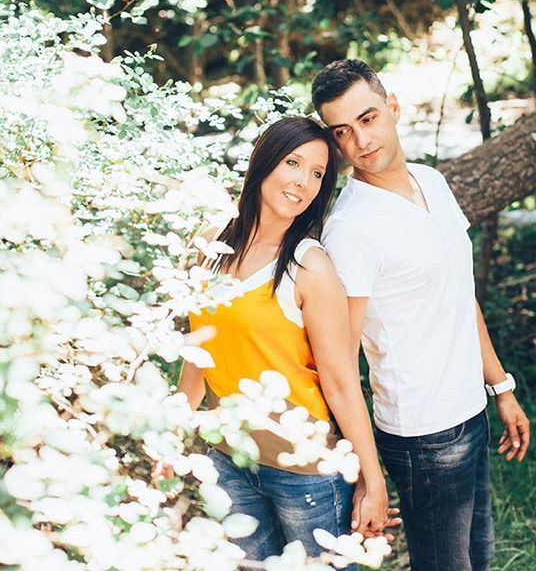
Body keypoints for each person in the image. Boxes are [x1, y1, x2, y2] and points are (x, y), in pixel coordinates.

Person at [311, 59, 530, 571]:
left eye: (368, 119)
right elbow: (340, 367)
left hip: (469, 411)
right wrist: (369, 471)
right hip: (423, 435)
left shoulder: (432, 181)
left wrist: (502, 387)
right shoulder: (352, 228)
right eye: (342, 131)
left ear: (392, 107)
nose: (360, 141)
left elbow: (460, 292)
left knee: (480, 558)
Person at [176, 117, 397, 565]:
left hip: (308, 475)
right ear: (264, 162)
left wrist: (371, 479)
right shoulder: (209, 243)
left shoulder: (309, 267)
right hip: (228, 459)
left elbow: (339, 382)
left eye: (317, 174)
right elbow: (198, 348)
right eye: (293, 163)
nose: (303, 181)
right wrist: (172, 434)